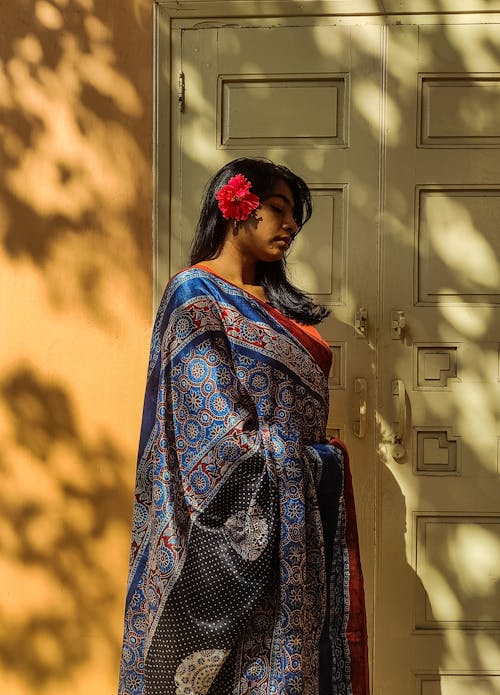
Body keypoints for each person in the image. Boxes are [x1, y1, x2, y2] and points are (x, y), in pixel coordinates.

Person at [118, 157, 369, 695]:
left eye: (295, 217)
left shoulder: (280, 306)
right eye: (278, 209)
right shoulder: (195, 295)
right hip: (233, 519)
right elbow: (213, 431)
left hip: (298, 528)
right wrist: (305, 461)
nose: (291, 226)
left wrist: (310, 463)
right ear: (233, 206)